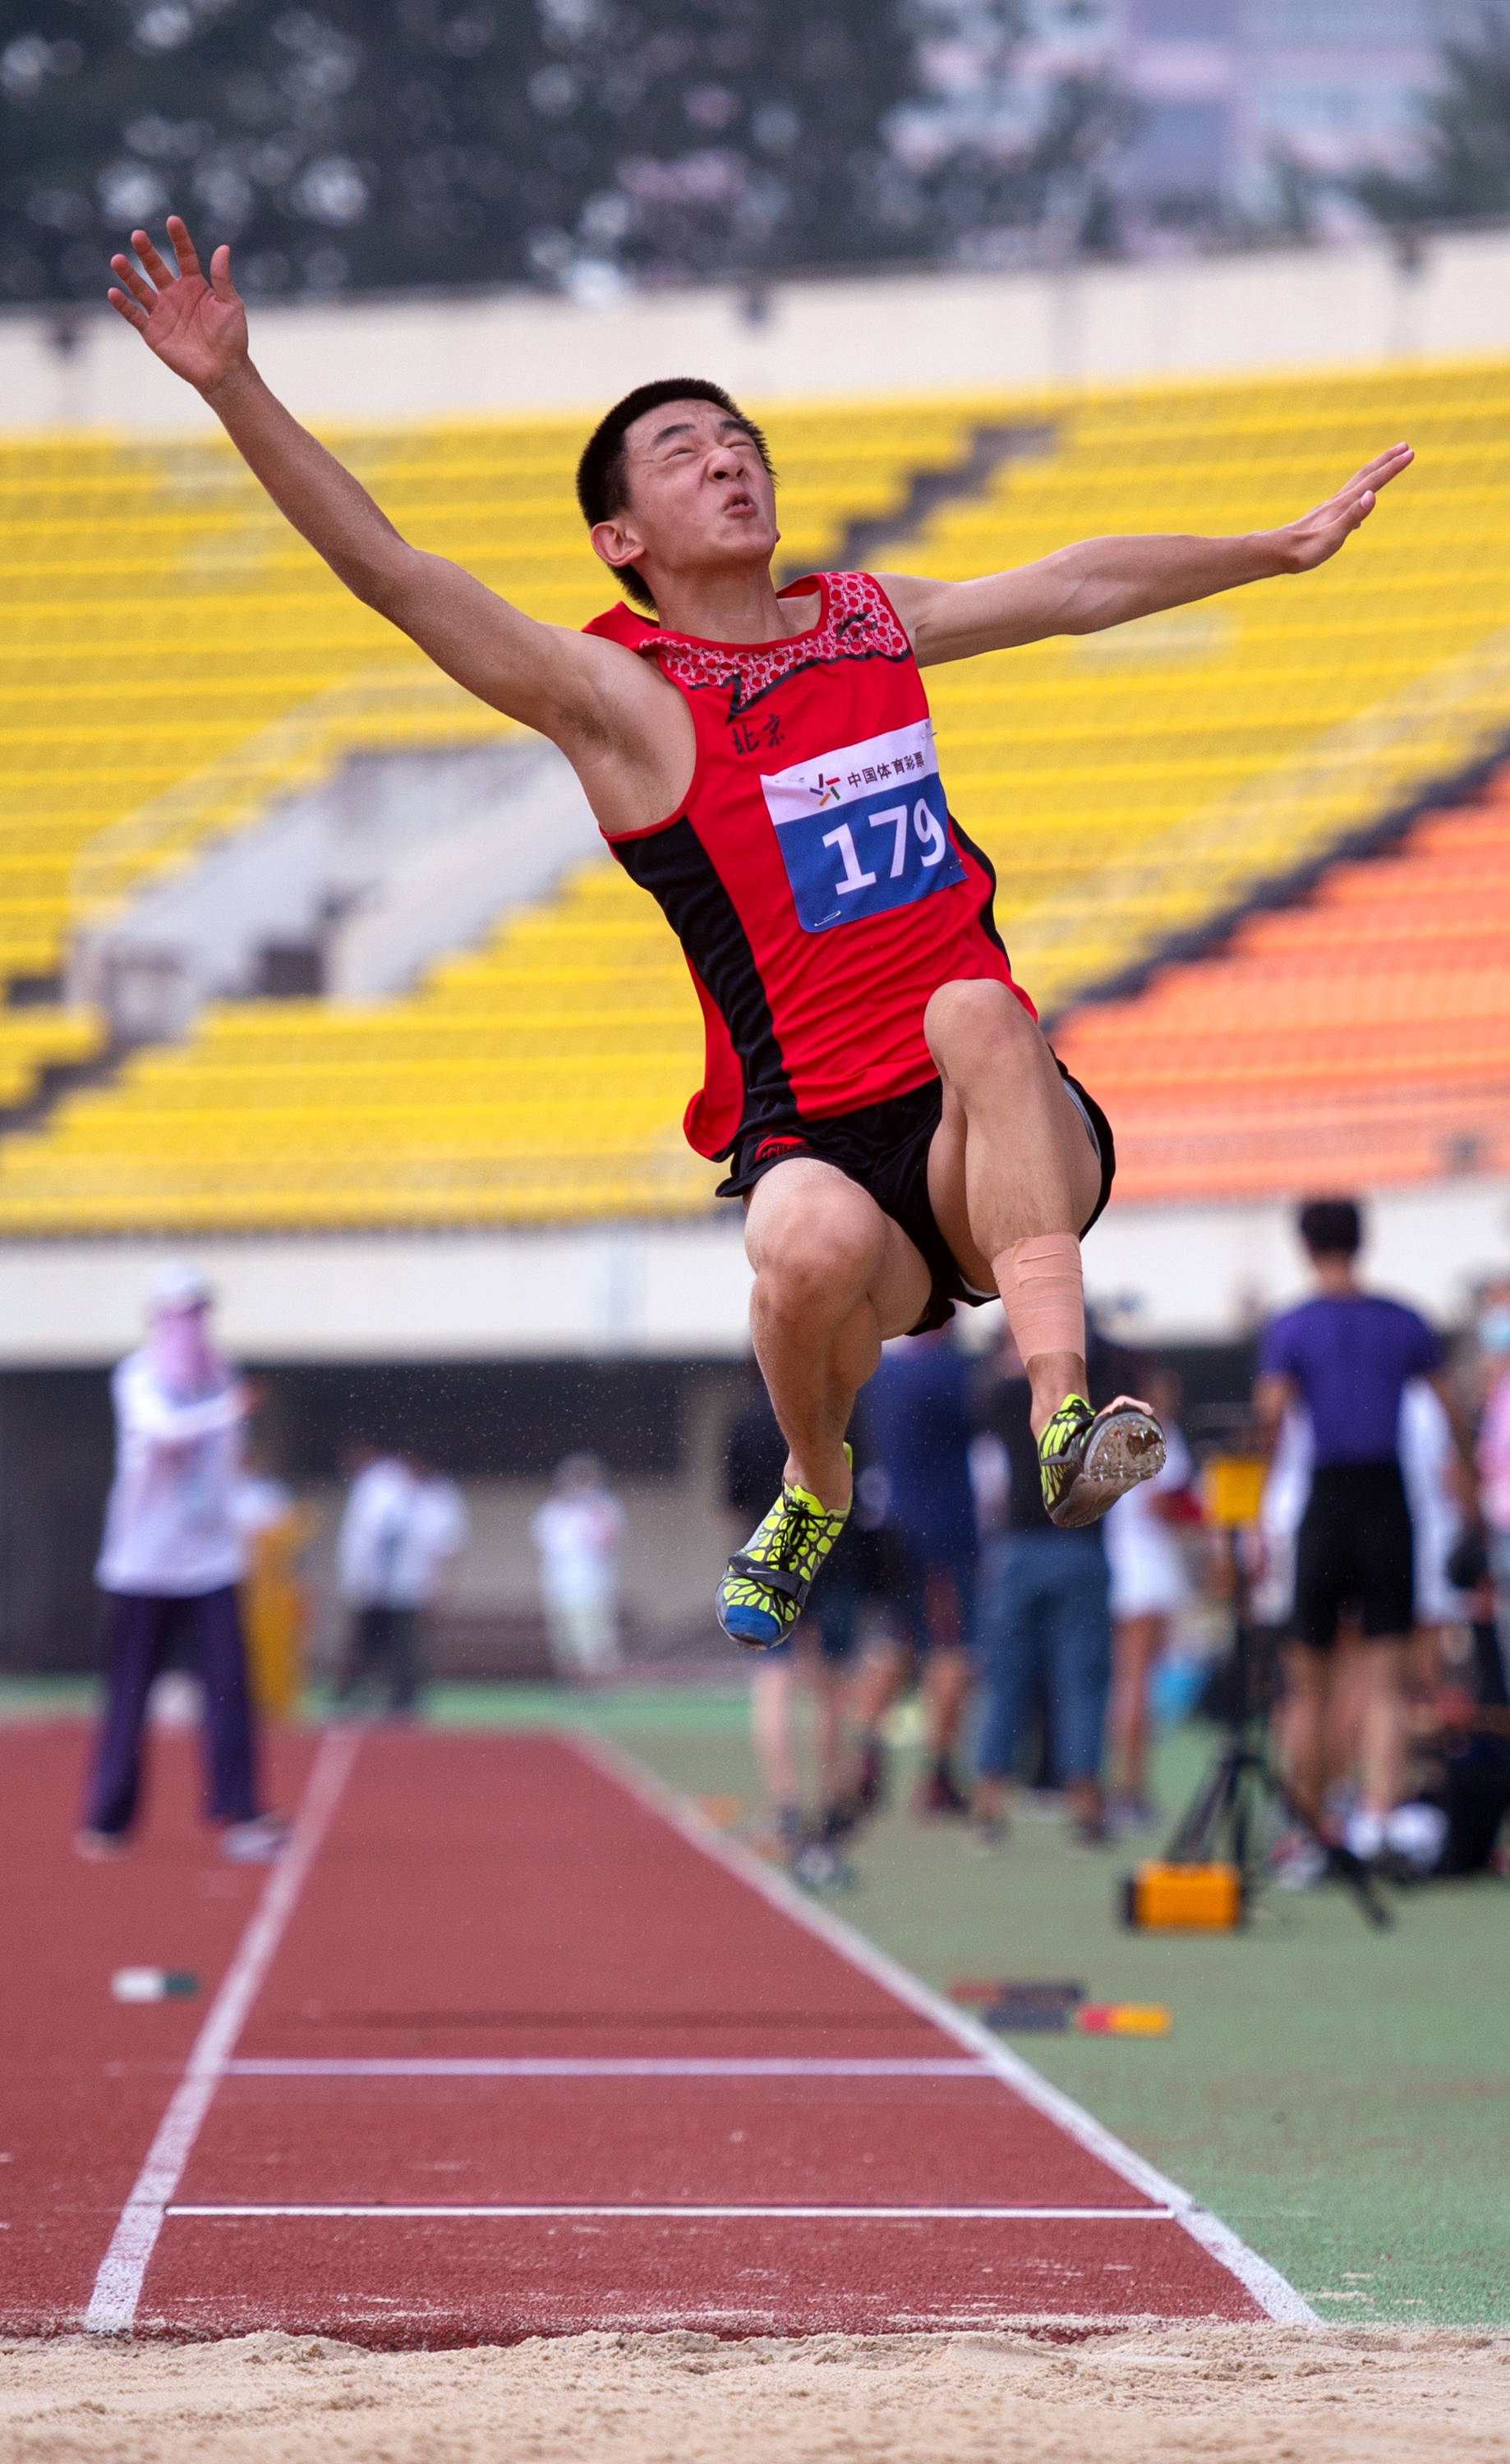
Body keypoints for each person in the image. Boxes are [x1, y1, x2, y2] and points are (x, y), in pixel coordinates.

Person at [108, 216, 1411, 1643]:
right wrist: (232, 385)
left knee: (976, 1005)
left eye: (741, 442)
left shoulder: (860, 620)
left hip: (1000, 1134)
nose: (728, 460)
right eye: (682, 451)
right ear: (621, 539)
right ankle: (810, 1479)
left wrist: (1272, 552)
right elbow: (397, 575)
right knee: (795, 1240)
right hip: (816, 1135)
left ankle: (1056, 1413)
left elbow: (1072, 585)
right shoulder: (621, 702)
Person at [1254, 1197, 1448, 1865]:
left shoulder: (1293, 1327)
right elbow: (1448, 1423)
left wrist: (1255, 1519)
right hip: (1387, 1502)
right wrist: (1473, 1514)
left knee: (1309, 1680)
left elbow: (1272, 1422)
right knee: (1388, 1677)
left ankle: (1305, 1833)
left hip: (1327, 1501)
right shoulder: (1403, 1321)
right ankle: (1376, 1820)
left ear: (1306, 1247)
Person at [76, 1262, 284, 1862]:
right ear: (154, 1318)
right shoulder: (138, 1377)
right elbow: (163, 1433)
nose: (189, 1325)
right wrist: (228, 1410)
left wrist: (245, 1517)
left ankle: (240, 1811)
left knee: (228, 1689)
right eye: (178, 1313)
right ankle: (109, 1816)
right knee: (129, 1692)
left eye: (198, 1312)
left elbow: (227, 1465)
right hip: (142, 1565)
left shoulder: (222, 1376)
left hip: (212, 1562)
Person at [970, 1322, 1148, 1846]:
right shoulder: (1095, 1401)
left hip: (1019, 1548)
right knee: (1083, 1679)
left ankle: (987, 1800)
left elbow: (992, 1389)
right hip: (1080, 1549)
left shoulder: (1005, 1395)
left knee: (1006, 1678)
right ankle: (1085, 1803)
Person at [845, 1326, 979, 1817]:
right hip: (942, 1531)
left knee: (895, 1641)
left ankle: (866, 1754)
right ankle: (939, 1774)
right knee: (951, 1649)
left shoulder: (884, 1371)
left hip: (893, 1526)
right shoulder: (949, 1370)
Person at [1102, 1368, 1199, 1828]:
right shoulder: (1147, 1431)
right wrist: (1205, 1513)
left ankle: (1129, 1784)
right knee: (1136, 1684)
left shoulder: (1134, 1430)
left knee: (1135, 1683)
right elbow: (1158, 1504)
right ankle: (1130, 1787)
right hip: (1143, 1571)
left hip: (1139, 1568)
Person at [335, 1448, 467, 1713]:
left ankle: (404, 1698)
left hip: (406, 1587)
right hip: (376, 1587)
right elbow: (367, 1540)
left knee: (405, 1644)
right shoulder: (381, 1490)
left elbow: (442, 1547)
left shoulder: (434, 1497)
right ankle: (356, 1694)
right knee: (368, 1641)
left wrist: (437, 1586)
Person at [532, 1454, 624, 1679]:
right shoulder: (553, 1510)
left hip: (592, 1584)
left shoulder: (604, 1507)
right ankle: (574, 1682)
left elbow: (608, 1540)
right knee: (564, 1639)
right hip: (559, 1583)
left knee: (594, 1637)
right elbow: (540, 1544)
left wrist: (593, 1507)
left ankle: (598, 1681)